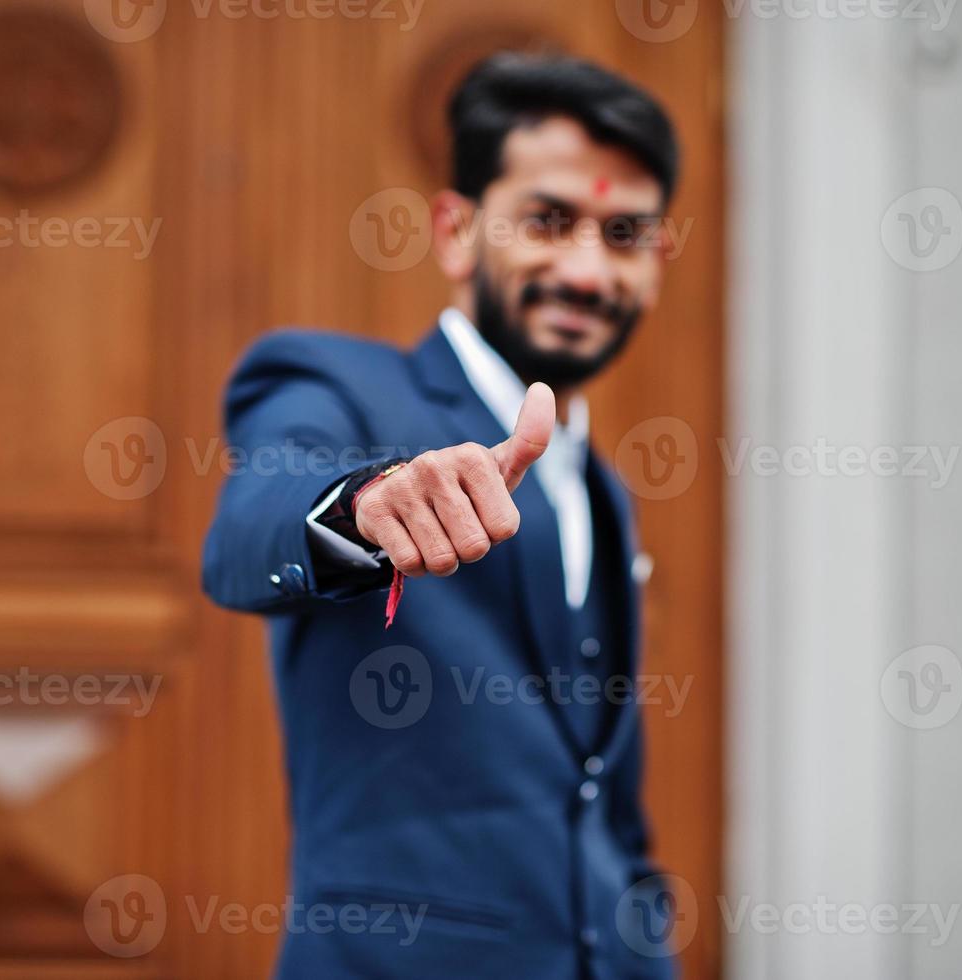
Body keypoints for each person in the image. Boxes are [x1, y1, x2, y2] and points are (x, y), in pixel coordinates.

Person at [202, 51, 681, 979]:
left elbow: (600, 792)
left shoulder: (601, 490)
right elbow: (249, 524)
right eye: (549, 221)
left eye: (624, 233)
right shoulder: (335, 384)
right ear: (457, 233)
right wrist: (362, 509)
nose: (586, 270)